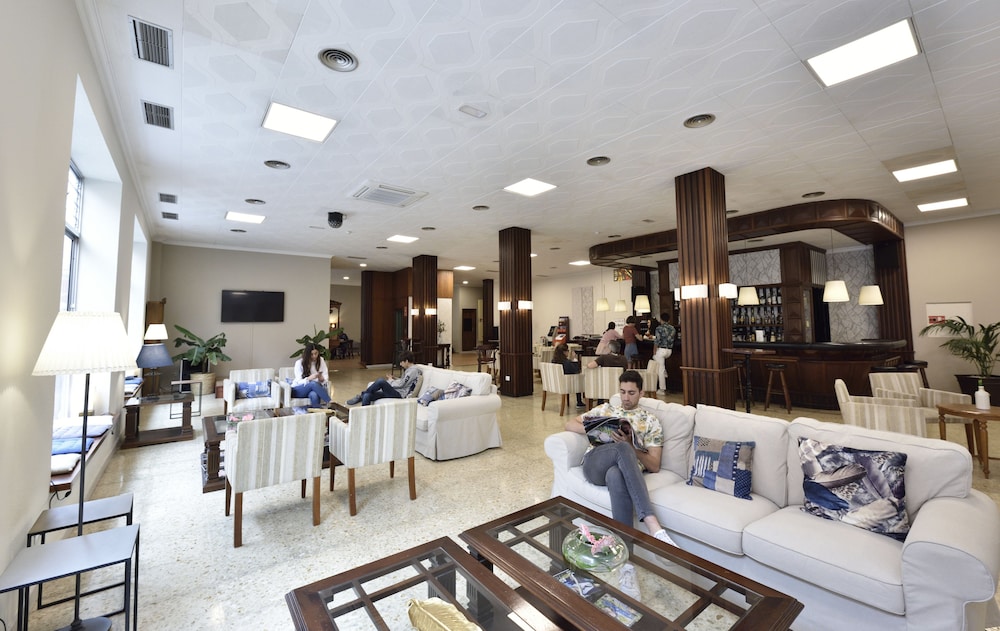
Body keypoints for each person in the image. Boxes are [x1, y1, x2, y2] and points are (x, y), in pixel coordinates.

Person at [565, 369, 677, 545]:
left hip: (620, 470)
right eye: (622, 392)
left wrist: (632, 447)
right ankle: (652, 524)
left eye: (631, 393)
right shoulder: (606, 409)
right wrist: (596, 429)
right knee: (622, 447)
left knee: (616, 474)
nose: (625, 398)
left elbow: (654, 465)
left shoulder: (650, 421)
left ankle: (624, 552)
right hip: (594, 465)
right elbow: (570, 424)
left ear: (641, 393)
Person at [345, 351, 420, 406]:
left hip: (400, 394)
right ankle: (364, 415)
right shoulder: (409, 370)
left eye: (401, 362)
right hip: (396, 391)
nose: (400, 364)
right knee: (367, 395)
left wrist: (390, 381)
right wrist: (395, 378)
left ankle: (360, 396)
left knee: (381, 381)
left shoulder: (413, 371)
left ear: (406, 361)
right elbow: (404, 381)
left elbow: (401, 384)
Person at [290, 342, 332, 407]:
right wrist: (309, 378)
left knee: (314, 394)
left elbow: (325, 379)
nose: (314, 356)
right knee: (312, 384)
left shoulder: (321, 360)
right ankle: (330, 402)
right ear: (307, 354)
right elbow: (298, 381)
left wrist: (321, 379)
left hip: (314, 388)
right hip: (298, 390)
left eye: (316, 353)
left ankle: (316, 412)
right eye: (311, 354)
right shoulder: (299, 363)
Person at [551, 342, 585, 408]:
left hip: (556, 384)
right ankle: (579, 402)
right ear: (564, 352)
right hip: (566, 384)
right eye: (567, 350)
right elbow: (576, 371)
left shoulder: (553, 361)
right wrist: (574, 359)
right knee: (579, 380)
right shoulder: (566, 362)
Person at [652, 312, 676, 395]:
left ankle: (662, 389)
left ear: (661, 320)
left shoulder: (659, 328)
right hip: (669, 351)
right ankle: (665, 373)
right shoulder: (673, 328)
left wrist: (654, 350)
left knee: (660, 369)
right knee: (660, 365)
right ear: (669, 320)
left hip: (661, 350)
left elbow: (657, 340)